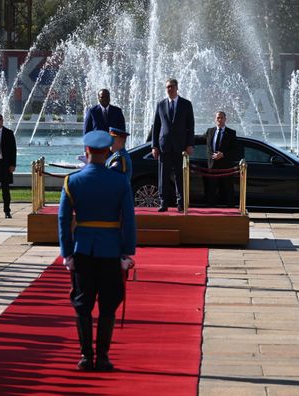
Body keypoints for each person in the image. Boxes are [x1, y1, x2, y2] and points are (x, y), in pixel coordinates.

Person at [58, 130, 136, 371]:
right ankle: (102, 357)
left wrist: (67, 253)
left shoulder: (72, 181)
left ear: (87, 152)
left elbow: (63, 220)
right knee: (108, 303)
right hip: (111, 251)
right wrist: (127, 252)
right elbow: (129, 220)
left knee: (82, 303)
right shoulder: (120, 181)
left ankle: (85, 356)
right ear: (107, 152)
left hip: (83, 251)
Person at [151, 78, 195, 212]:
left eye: (171, 87)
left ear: (177, 88)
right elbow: (156, 126)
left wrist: (190, 144)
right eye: (167, 87)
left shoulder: (186, 104)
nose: (169, 89)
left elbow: (190, 126)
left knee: (180, 176)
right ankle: (163, 203)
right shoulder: (160, 104)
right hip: (164, 147)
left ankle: (181, 203)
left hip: (180, 147)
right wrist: (154, 146)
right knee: (163, 176)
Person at [205, 111, 237, 207]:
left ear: (225, 119)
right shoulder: (210, 131)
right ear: (215, 119)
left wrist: (223, 154)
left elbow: (235, 149)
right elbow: (199, 138)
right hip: (212, 166)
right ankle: (210, 210)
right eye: (218, 117)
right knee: (211, 189)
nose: (220, 119)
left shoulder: (231, 133)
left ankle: (231, 210)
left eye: (222, 118)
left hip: (226, 166)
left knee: (228, 189)